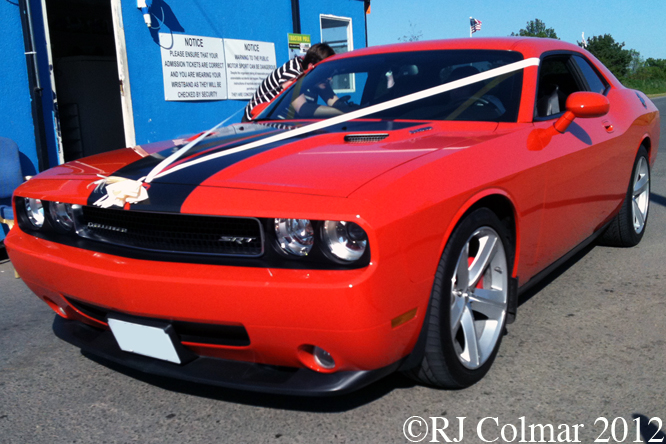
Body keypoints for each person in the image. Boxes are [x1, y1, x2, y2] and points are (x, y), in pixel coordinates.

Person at [243, 43, 336, 122]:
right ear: (311, 67)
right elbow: (303, 109)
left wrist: (346, 110)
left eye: (331, 74)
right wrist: (340, 111)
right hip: (256, 126)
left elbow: (333, 100)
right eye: (326, 73)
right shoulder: (291, 73)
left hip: (287, 126)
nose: (330, 78)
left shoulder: (318, 77)